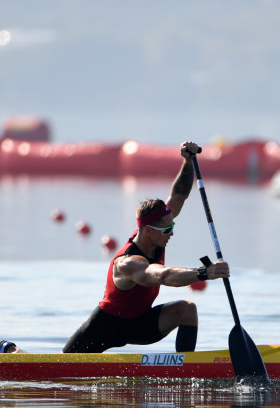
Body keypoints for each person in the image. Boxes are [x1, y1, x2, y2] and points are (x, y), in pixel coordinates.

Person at [61, 141, 229, 354]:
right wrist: (205, 272)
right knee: (59, 364)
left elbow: (179, 195)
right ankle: (8, 349)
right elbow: (162, 275)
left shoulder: (157, 232)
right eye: (167, 229)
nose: (172, 233)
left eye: (172, 226)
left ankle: (185, 369)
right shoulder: (128, 262)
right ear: (148, 230)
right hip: (105, 327)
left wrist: (188, 161)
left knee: (187, 310)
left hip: (141, 324)